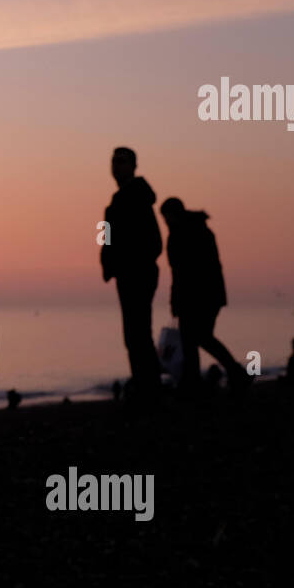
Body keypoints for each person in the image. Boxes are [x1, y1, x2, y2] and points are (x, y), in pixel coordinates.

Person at [159, 197, 246, 393]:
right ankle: (226, 374)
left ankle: (201, 380)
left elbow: (181, 271)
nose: (165, 222)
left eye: (166, 217)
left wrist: (176, 300)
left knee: (196, 339)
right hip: (209, 295)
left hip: (196, 297)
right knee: (199, 338)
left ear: (173, 215)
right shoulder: (200, 229)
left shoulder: (181, 235)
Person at [100, 147, 163, 400]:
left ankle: (149, 387)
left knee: (139, 333)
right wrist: (108, 264)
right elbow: (108, 238)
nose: (116, 166)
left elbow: (154, 242)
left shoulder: (136, 199)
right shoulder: (116, 203)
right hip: (126, 274)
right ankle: (144, 384)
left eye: (122, 162)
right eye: (114, 162)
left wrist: (131, 263)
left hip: (138, 273)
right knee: (133, 334)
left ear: (134, 166)